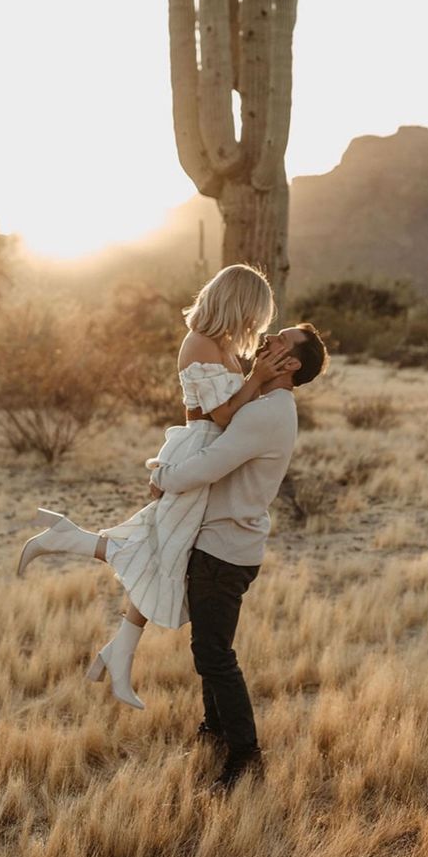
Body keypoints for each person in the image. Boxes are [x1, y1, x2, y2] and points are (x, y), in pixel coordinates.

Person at [17, 265, 289, 709]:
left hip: (209, 458)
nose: (256, 326)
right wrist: (257, 380)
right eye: (255, 314)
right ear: (239, 304)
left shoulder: (222, 347)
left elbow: (233, 415)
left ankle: (118, 649)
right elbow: (222, 417)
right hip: (197, 452)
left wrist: (256, 383)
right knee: (166, 552)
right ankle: (74, 548)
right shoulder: (201, 342)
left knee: (167, 551)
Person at [147, 323, 329, 792]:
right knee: (209, 650)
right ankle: (215, 733)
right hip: (223, 544)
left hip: (224, 550)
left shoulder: (268, 412)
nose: (265, 341)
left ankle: (246, 757)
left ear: (289, 365)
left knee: (214, 656)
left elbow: (210, 464)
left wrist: (161, 475)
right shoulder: (266, 405)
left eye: (277, 342)